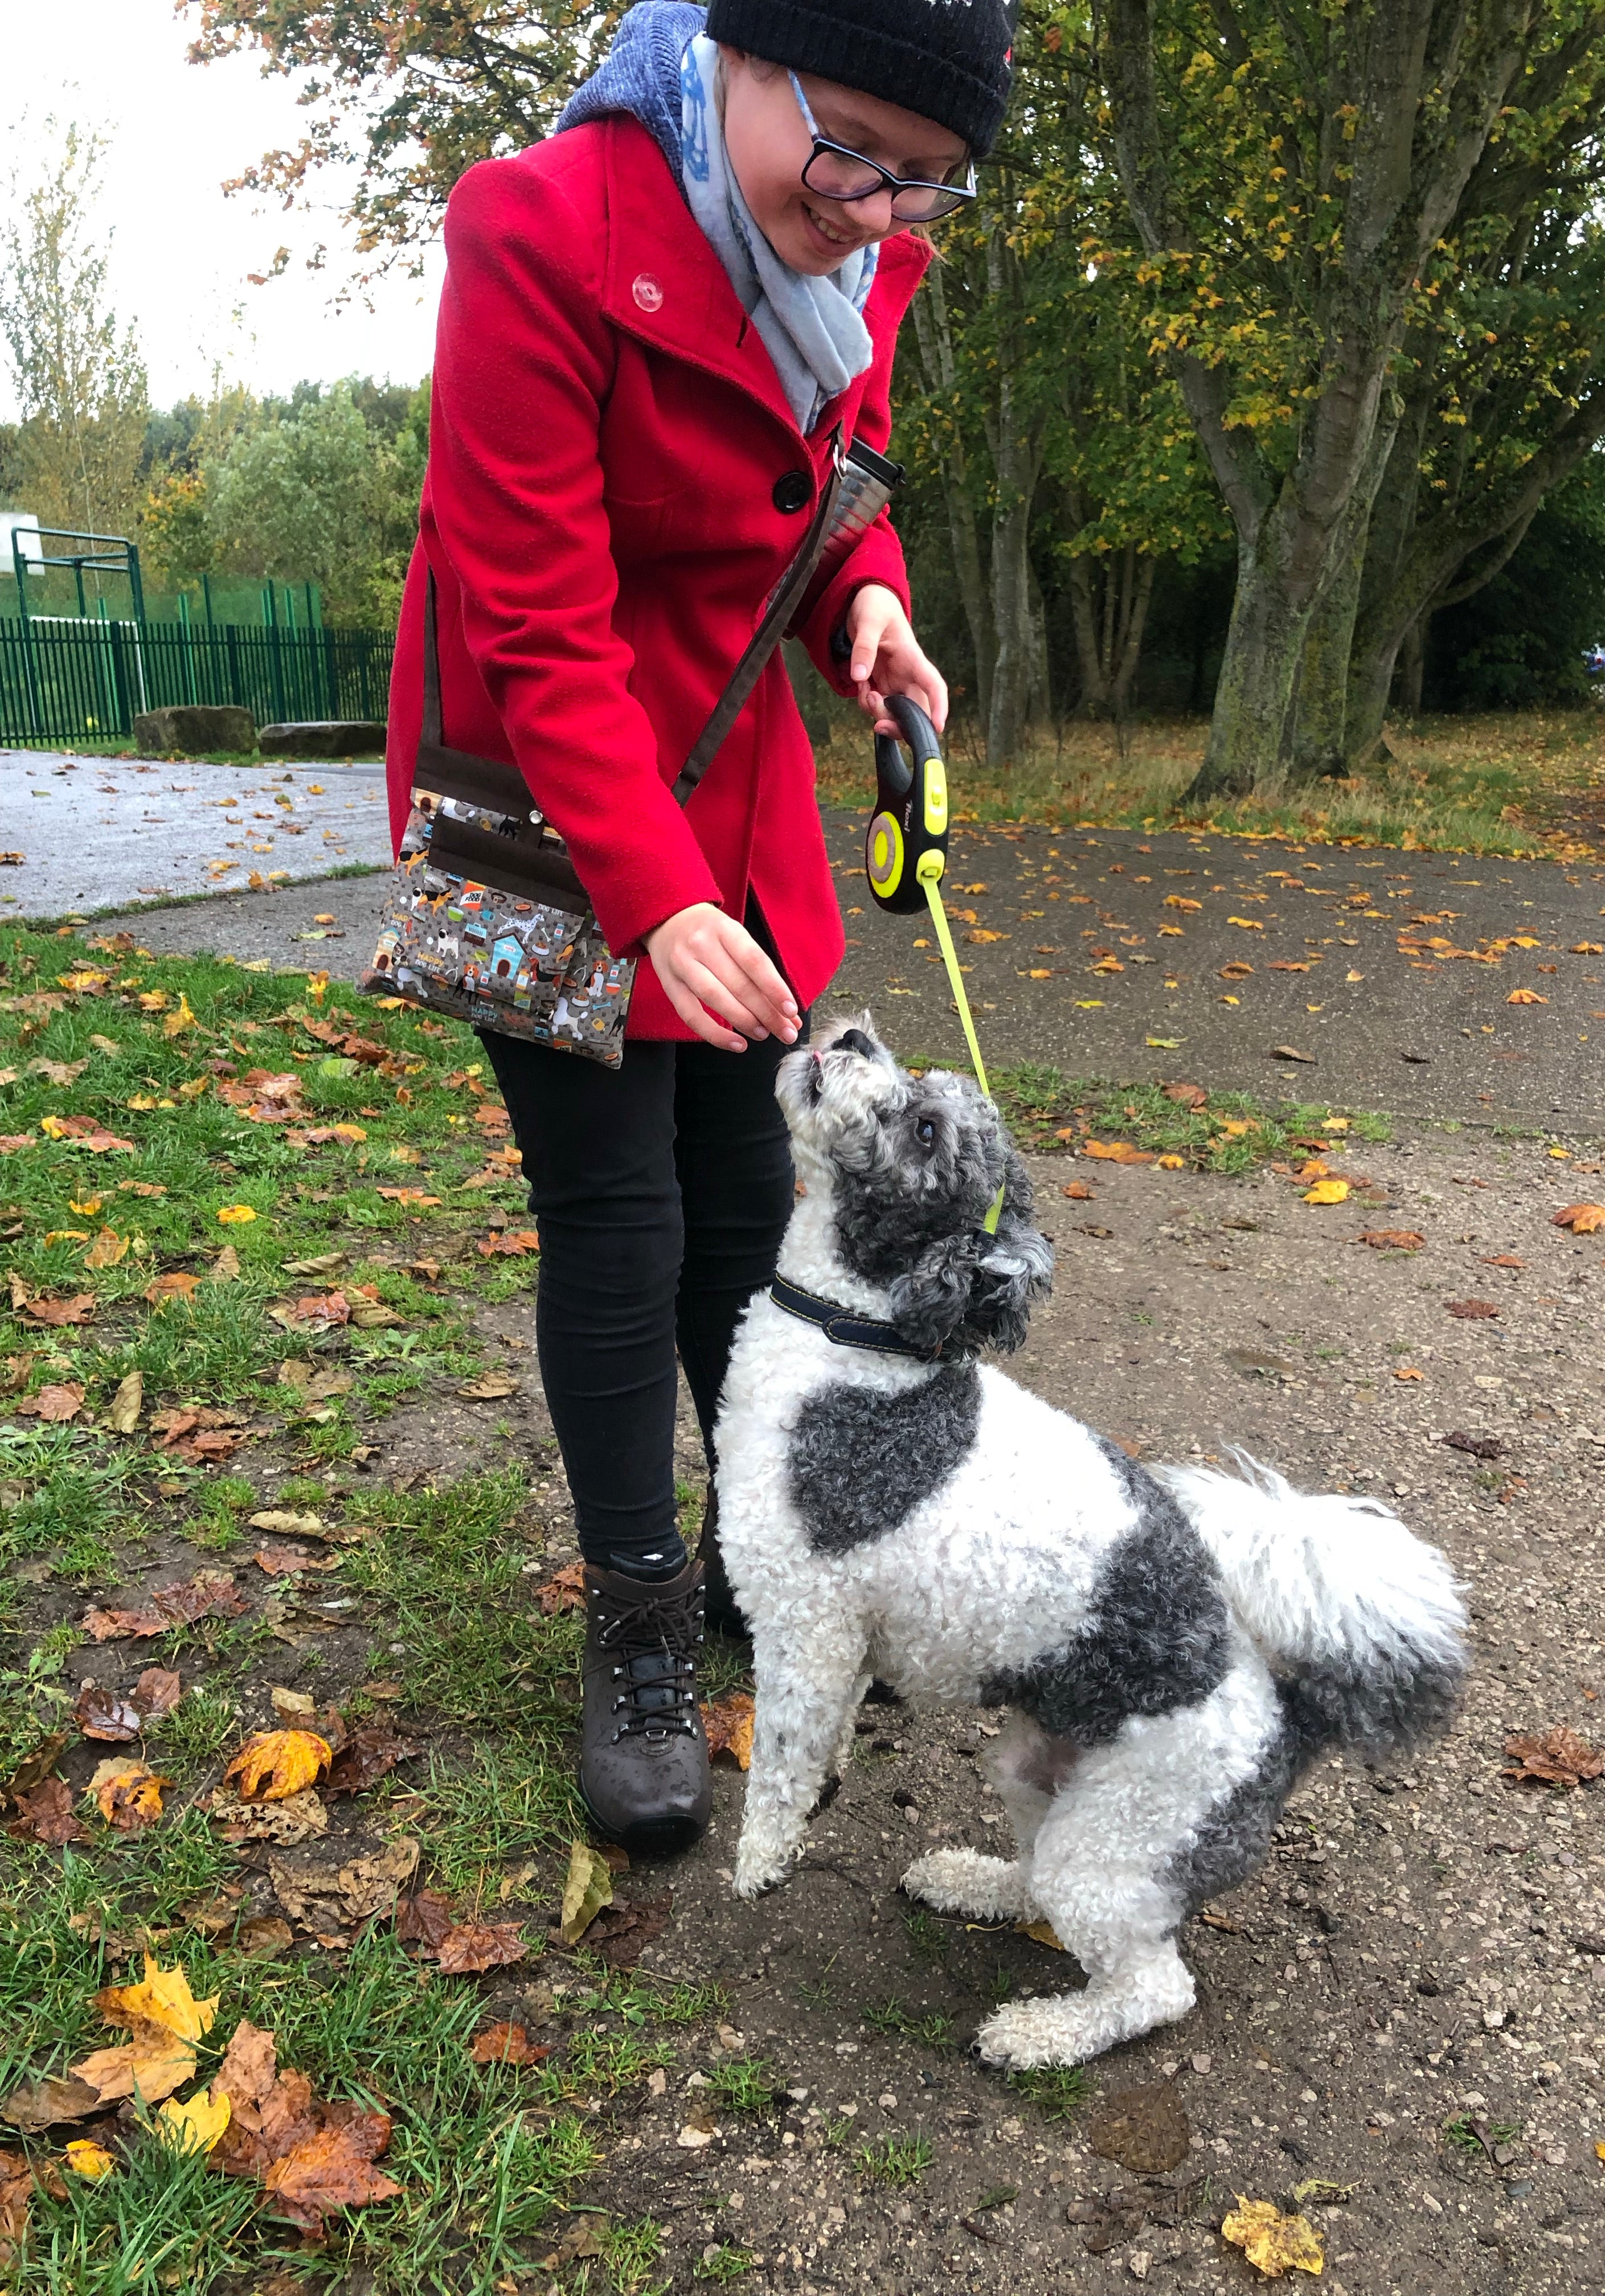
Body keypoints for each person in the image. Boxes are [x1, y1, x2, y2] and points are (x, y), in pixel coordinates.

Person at [384, 0, 1015, 1850]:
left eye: (929, 183)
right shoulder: (534, 226)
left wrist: (874, 612)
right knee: (617, 1212)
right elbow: (535, 614)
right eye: (853, 154)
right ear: (740, 58)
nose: (881, 212)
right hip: (541, 786)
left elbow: (842, 488)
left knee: (745, 1197)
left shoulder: (861, 252)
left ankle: (761, 1557)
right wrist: (644, 898)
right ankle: (641, 1612)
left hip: (728, 779)